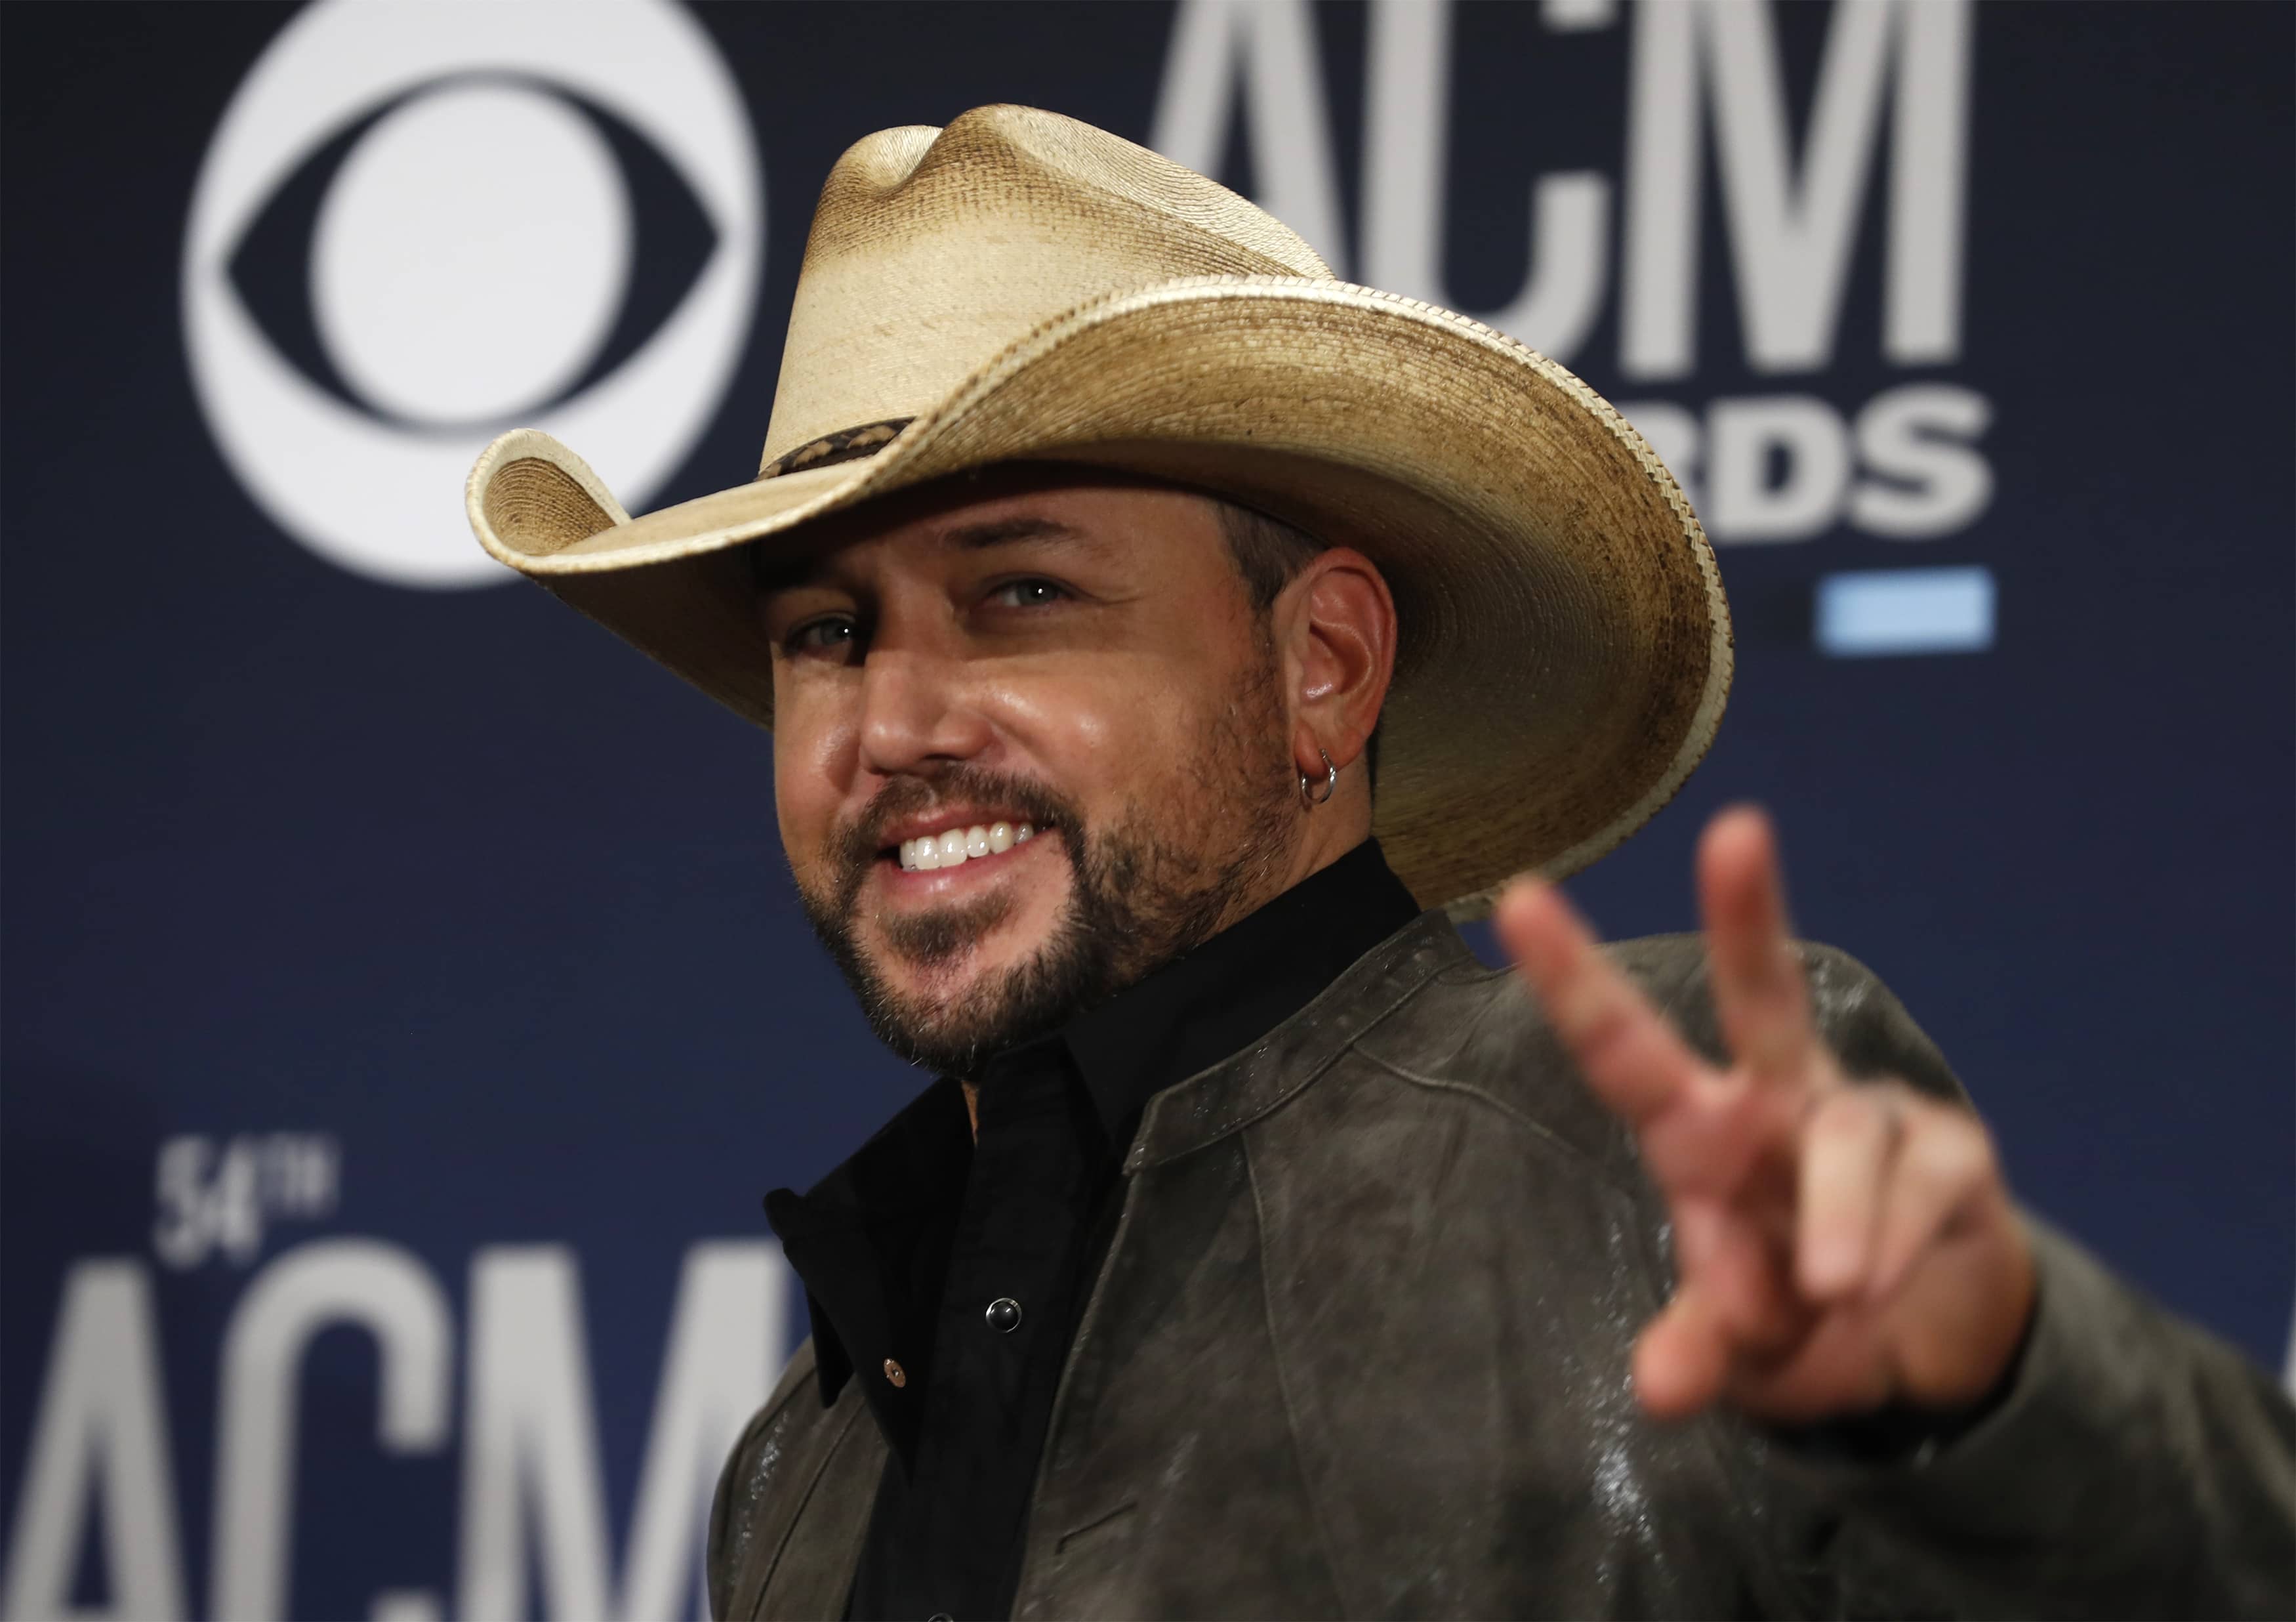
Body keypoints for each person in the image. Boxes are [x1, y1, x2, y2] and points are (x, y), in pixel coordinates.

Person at [466, 106, 2293, 1621]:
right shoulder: (799, 1468)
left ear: (1318, 663)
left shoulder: (1650, 1158)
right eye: (825, 637)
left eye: (1020, 594)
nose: (891, 723)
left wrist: (1999, 1403)